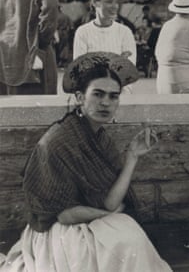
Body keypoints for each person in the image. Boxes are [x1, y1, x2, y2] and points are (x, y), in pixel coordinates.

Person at [0, 52, 171, 271]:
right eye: (98, 94)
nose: (105, 103)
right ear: (80, 98)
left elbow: (109, 202)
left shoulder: (100, 138)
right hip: (59, 231)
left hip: (90, 219)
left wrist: (132, 157)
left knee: (128, 235)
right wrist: (111, 216)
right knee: (126, 235)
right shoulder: (57, 141)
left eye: (113, 96)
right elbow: (65, 214)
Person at [0, 0, 58, 95]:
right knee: (39, 110)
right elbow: (50, 11)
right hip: (32, 56)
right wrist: (41, 43)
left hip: (3, 59)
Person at [73, 0, 136, 65]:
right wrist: (117, 61)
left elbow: (129, 69)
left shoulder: (125, 32)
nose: (115, 6)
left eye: (116, 2)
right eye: (109, 2)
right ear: (95, 3)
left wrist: (93, 62)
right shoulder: (83, 32)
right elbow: (79, 67)